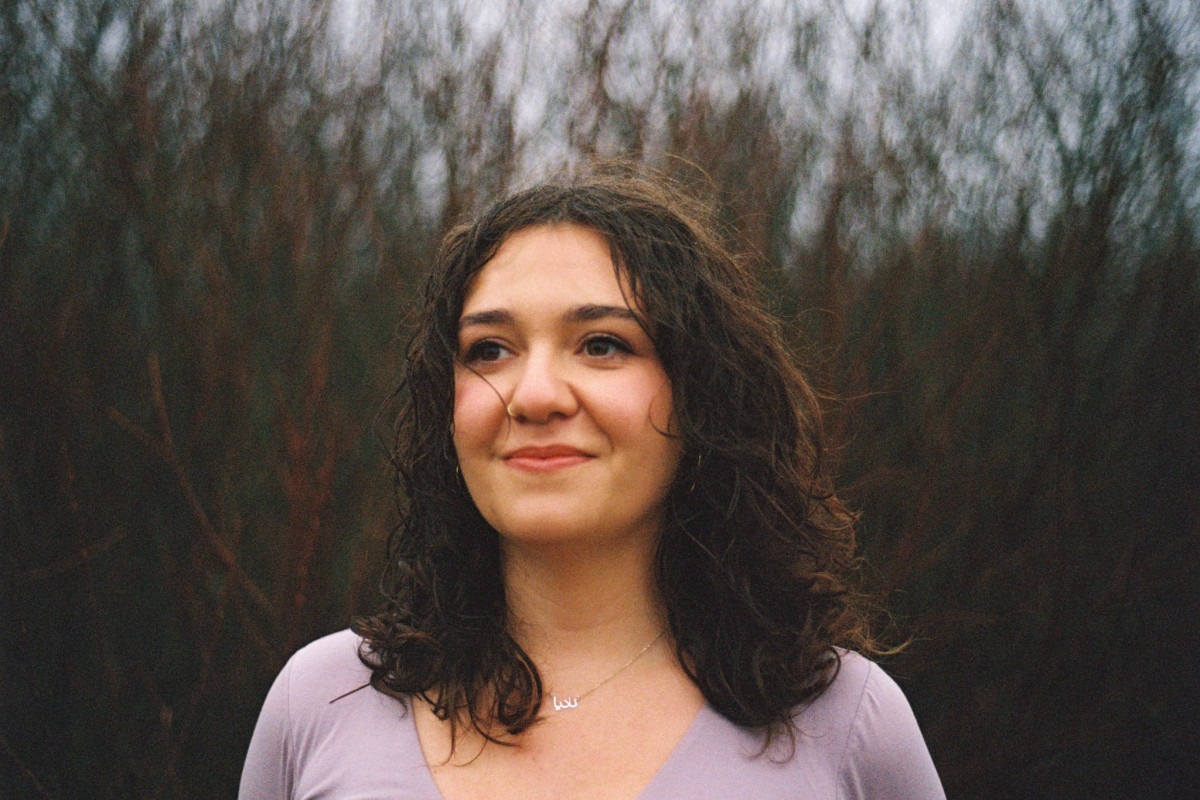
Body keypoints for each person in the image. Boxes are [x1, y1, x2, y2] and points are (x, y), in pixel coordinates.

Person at [239, 163, 945, 799]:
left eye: (602, 344)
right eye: (490, 349)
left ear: (699, 394)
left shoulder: (847, 723)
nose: (535, 394)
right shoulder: (320, 704)